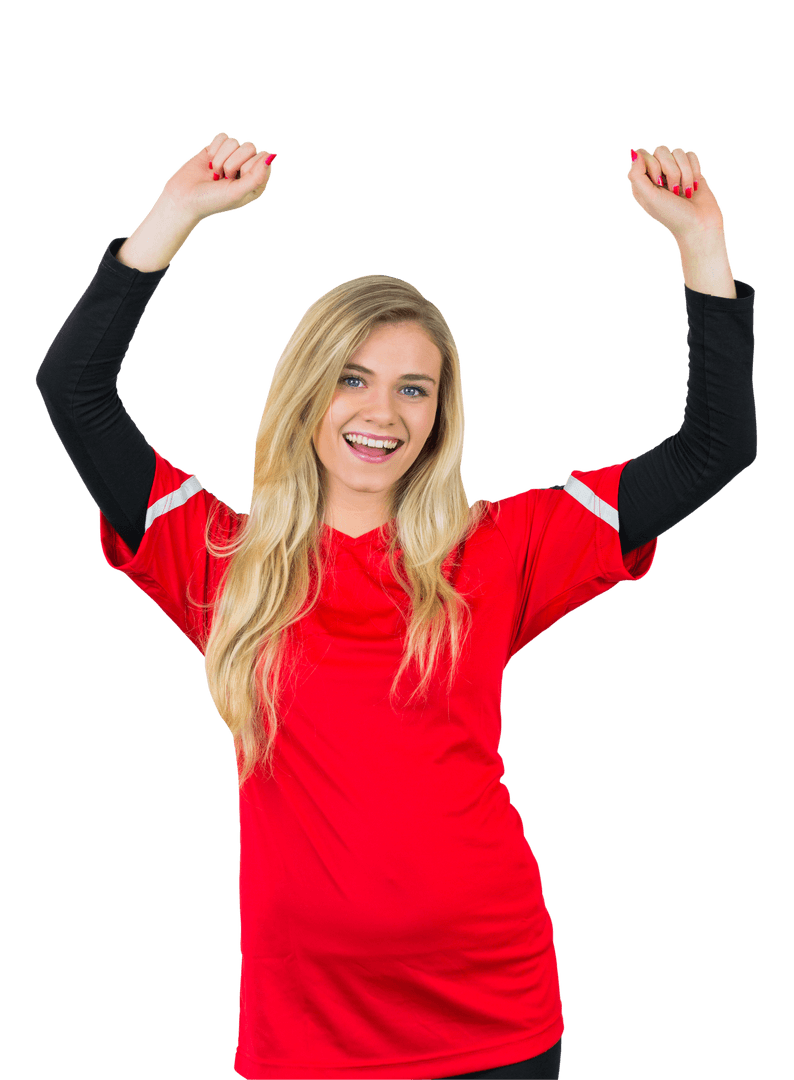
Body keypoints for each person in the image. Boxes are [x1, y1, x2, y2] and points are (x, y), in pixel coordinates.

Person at [34, 132, 757, 1080]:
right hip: (308, 1032)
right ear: (306, 393)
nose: (384, 413)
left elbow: (715, 447)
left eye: (413, 389)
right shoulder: (216, 555)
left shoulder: (505, 546)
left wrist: (701, 245)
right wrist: (177, 214)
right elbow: (73, 389)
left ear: (438, 415)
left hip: (492, 1007)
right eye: (353, 379)